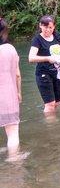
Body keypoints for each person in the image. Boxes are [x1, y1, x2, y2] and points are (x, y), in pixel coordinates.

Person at [28, 15, 60, 114]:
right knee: (50, 105)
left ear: (54, 27)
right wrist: (48, 58)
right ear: (40, 26)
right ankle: (50, 126)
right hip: (43, 74)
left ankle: (54, 123)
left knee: (58, 102)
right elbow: (31, 58)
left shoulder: (56, 35)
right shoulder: (37, 39)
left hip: (58, 72)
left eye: (50, 27)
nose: (48, 30)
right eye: (45, 27)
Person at [0, 18, 22, 158]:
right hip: (7, 95)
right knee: (12, 134)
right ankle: (14, 165)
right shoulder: (10, 49)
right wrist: (19, 93)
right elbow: (17, 75)